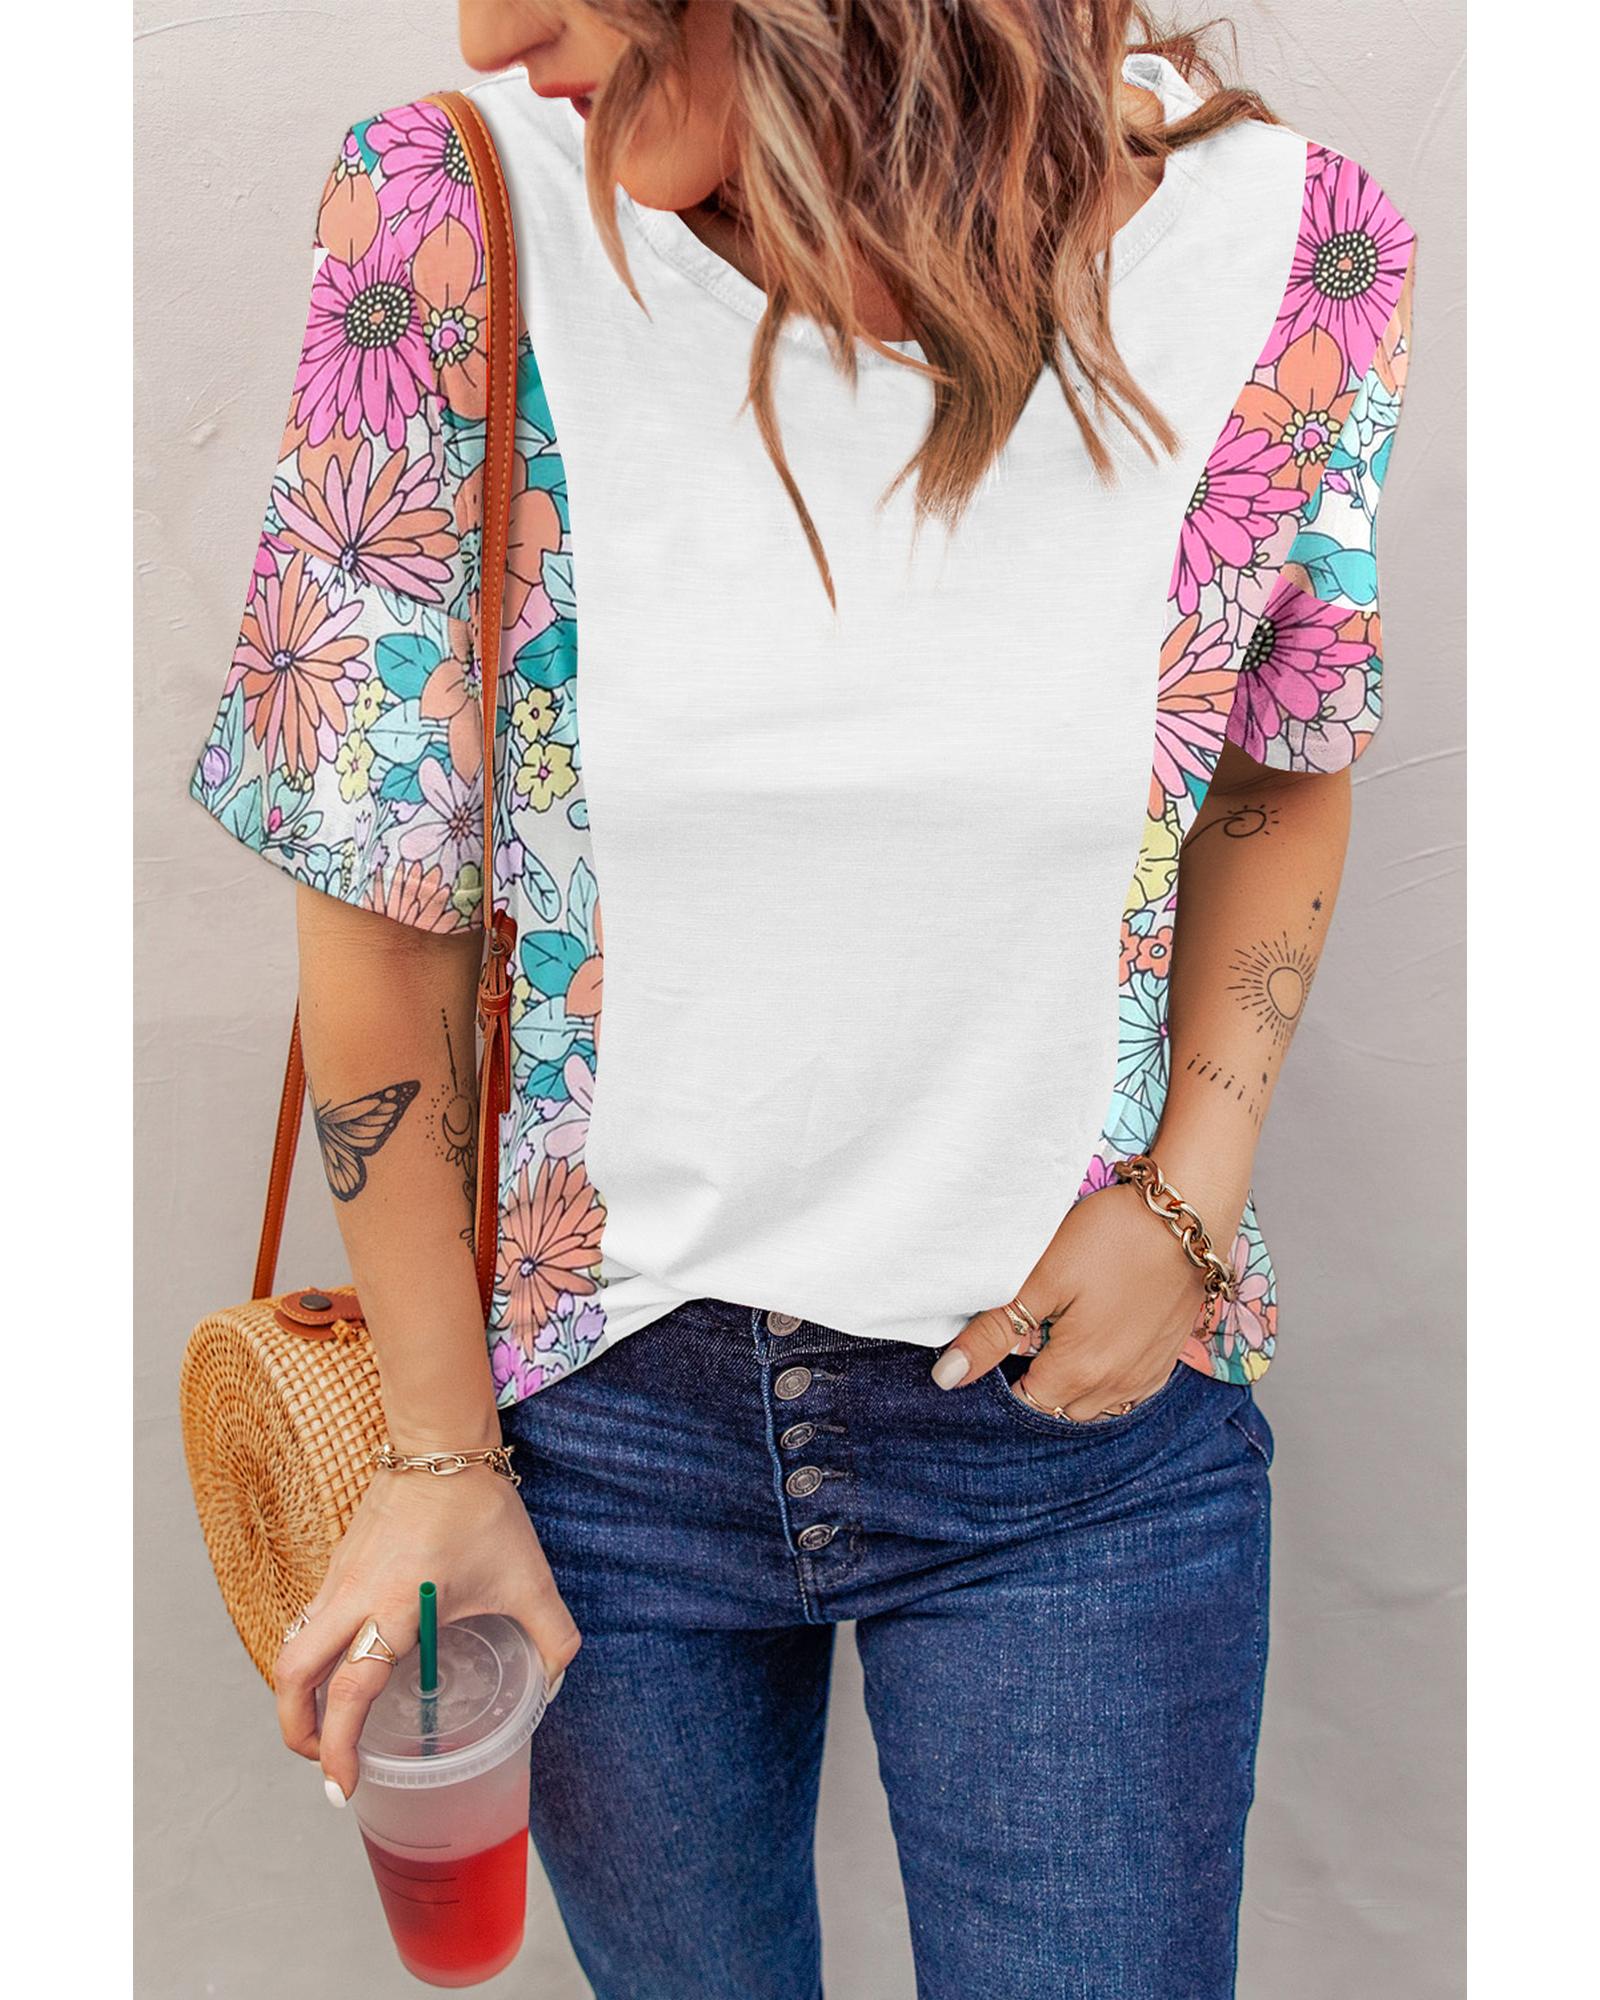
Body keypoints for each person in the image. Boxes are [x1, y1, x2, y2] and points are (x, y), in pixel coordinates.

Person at [186, 3, 1417, 1992]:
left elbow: (1278, 767)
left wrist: (1187, 1197)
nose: (494, 29)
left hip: (1074, 1447)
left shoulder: (1296, 255)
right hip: (587, 1447)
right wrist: (436, 1454)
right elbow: (381, 901)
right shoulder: (454, 215)